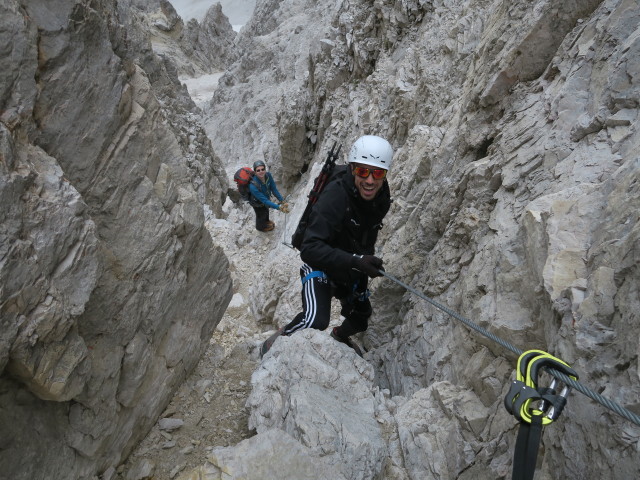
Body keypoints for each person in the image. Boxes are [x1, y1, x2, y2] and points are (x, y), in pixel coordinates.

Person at [261, 135, 393, 357]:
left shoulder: (381, 197)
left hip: (350, 265)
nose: (370, 180)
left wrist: (363, 261)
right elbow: (310, 249)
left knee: (360, 317)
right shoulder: (335, 196)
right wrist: (356, 261)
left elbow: (365, 233)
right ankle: (275, 343)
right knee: (315, 319)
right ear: (352, 169)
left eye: (377, 173)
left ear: (385, 174)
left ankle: (339, 336)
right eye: (363, 171)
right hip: (319, 264)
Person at [249, 160, 289, 232]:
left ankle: (266, 221)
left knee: (266, 210)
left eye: (262, 169)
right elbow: (264, 200)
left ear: (265, 169)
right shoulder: (253, 186)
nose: (261, 171)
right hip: (256, 201)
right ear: (255, 172)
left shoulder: (268, 175)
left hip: (266, 197)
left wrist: (282, 200)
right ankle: (260, 227)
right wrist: (279, 208)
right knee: (260, 214)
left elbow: (273, 189)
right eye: (258, 170)